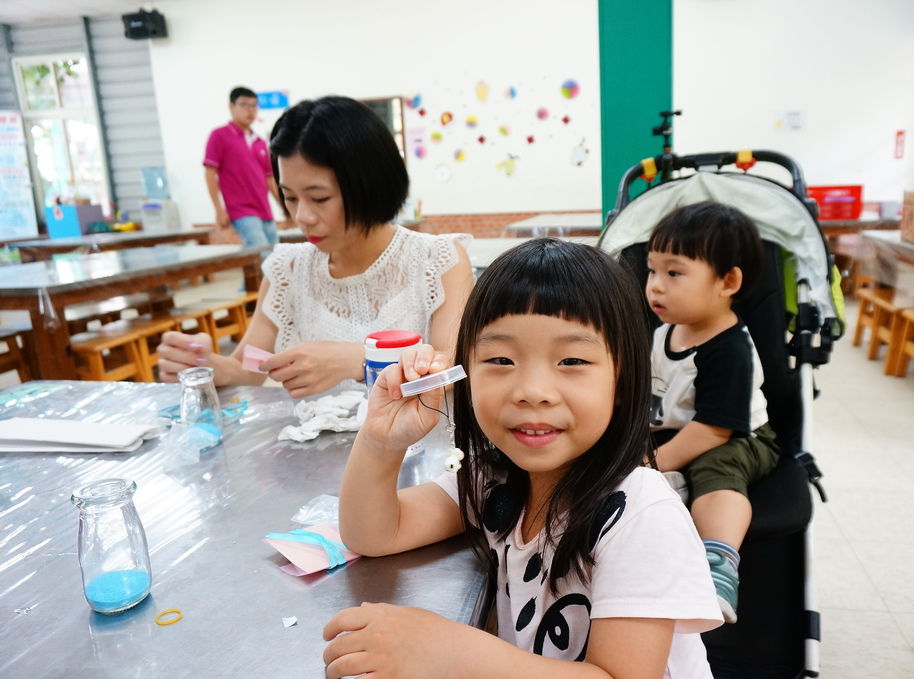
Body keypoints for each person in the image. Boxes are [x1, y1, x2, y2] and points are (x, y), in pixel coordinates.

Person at [324, 239, 722, 679]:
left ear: (622, 380)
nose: (532, 390)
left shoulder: (641, 514)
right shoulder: (495, 480)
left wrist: (449, 651)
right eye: (500, 359)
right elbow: (375, 533)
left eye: (571, 359)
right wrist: (381, 442)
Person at [158, 96, 474, 398]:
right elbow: (252, 364)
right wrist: (208, 365)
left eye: (319, 198)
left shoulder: (438, 261)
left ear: (370, 187)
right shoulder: (288, 269)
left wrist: (360, 362)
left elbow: (452, 372)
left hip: (418, 448)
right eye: (290, 197)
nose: (302, 217)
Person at [644, 202, 781, 624]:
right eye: (652, 271)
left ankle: (719, 564)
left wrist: (652, 462)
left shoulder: (729, 349)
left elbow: (711, 431)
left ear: (728, 281)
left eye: (674, 273)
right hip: (677, 429)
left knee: (715, 469)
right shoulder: (665, 331)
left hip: (738, 438)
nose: (655, 286)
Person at [203, 86, 287, 248]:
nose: (250, 110)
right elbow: (210, 173)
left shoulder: (260, 142)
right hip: (241, 211)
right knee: (261, 254)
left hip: (265, 211)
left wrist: (283, 207)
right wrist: (219, 210)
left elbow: (270, 179)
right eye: (244, 105)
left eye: (254, 105)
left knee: (275, 258)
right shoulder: (219, 136)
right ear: (231, 106)